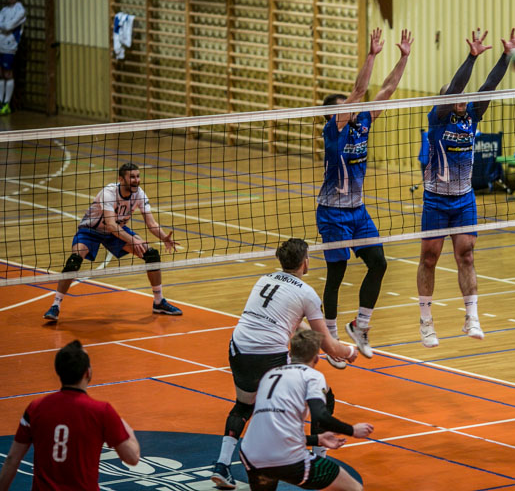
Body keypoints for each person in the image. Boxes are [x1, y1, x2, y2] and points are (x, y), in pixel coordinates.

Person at [211, 238, 358, 489]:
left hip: (239, 346)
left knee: (244, 405)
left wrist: (325, 342)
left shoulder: (264, 279)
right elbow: (329, 346)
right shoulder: (307, 293)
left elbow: (292, 322)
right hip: (270, 354)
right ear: (305, 262)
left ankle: (222, 465)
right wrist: (350, 351)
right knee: (322, 396)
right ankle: (318, 456)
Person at [416, 28, 515, 348]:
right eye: (455, 94)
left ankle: (472, 317)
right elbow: (456, 87)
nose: (461, 97)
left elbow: (488, 86)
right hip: (436, 199)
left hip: (463, 199)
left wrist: (506, 56)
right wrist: (471, 57)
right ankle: (426, 321)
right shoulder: (438, 118)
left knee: (466, 255)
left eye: (463, 95)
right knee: (429, 259)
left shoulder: (472, 116)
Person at [316, 28, 413, 360]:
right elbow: (359, 90)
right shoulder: (334, 130)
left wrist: (403, 58)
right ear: (335, 114)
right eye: (346, 106)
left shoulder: (363, 123)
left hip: (357, 210)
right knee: (337, 273)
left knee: (378, 263)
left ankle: (360, 326)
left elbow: (387, 89)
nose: (354, 105)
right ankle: (330, 338)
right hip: (332, 211)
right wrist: (371, 55)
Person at [43, 162, 182, 321]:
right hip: (91, 230)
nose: (136, 180)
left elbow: (151, 223)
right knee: (74, 261)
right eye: (132, 177)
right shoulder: (109, 193)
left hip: (116, 231)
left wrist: (164, 237)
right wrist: (133, 240)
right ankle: (55, 305)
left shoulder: (140, 194)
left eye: (138, 176)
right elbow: (110, 224)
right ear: (121, 179)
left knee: (152, 255)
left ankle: (158, 302)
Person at [239, 328, 373, 491]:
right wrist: (352, 430)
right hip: (285, 457)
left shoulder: (269, 375)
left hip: (250, 453)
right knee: (354, 488)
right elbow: (321, 417)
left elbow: (276, 431)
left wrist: (317, 439)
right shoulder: (312, 376)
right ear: (316, 358)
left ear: (291, 353)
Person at [0, 340, 140, 491]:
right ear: (88, 372)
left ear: (58, 371)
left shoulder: (35, 408)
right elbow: (132, 458)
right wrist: (126, 428)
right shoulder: (102, 412)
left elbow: (12, 460)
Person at [0, 0, 26, 115]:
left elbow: (9, 26)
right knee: (1, 74)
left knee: (8, 73)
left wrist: (3, 25)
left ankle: (7, 104)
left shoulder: (20, 11)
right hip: (0, 44)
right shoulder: (4, 10)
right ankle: (1, 101)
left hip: (10, 46)